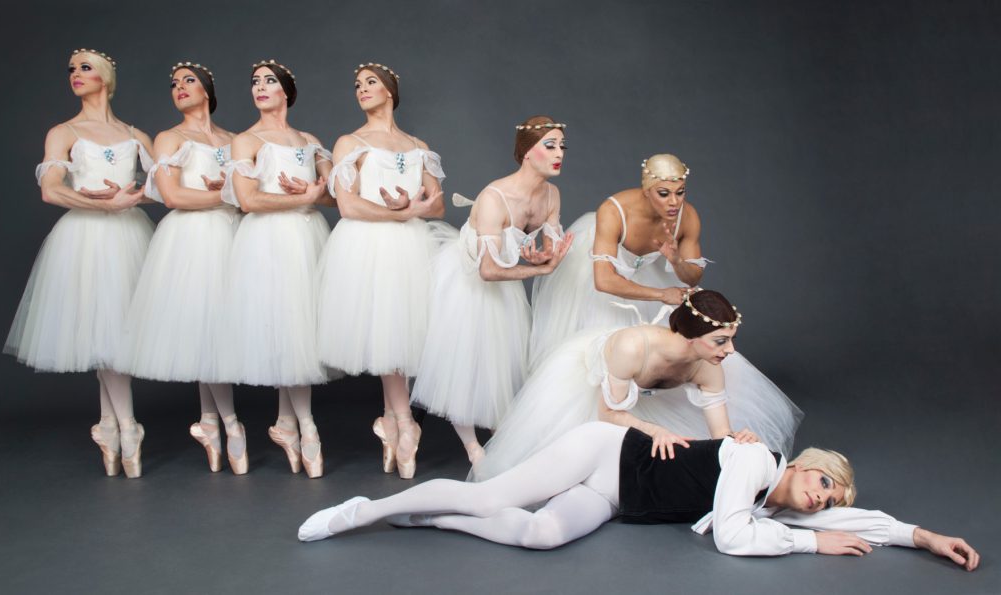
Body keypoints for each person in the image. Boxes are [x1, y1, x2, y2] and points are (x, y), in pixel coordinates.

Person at [298, 422, 980, 573]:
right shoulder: (754, 458)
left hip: (619, 499)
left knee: (541, 535)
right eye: (823, 482)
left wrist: (923, 536)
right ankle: (365, 511)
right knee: (494, 496)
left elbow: (861, 519)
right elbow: (730, 537)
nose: (821, 500)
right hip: (605, 452)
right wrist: (812, 544)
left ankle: (430, 517)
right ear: (803, 465)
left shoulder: (775, 503)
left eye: (827, 501)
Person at [5, 49, 155, 478]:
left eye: (85, 68)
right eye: (71, 69)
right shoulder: (64, 132)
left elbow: (164, 187)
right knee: (102, 332)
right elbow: (51, 189)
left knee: (113, 334)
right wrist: (103, 205)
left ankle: (109, 426)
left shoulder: (135, 135)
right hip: (84, 239)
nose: (75, 74)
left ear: (105, 76)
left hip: (129, 236)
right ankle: (128, 426)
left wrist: (132, 197)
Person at [474, 290, 802, 481]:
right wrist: (654, 430)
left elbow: (720, 435)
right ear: (690, 336)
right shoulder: (631, 347)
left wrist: (737, 441)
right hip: (593, 391)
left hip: (643, 398)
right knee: (561, 471)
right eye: (720, 341)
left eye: (731, 340)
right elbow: (608, 413)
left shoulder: (709, 367)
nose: (730, 351)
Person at [411, 116, 574, 463]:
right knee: (466, 361)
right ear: (527, 152)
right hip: (469, 281)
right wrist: (538, 268)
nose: (559, 153)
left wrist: (544, 255)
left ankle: (501, 435)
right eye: (549, 146)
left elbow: (549, 247)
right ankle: (473, 448)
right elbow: (487, 270)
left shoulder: (551, 195)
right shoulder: (494, 197)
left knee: (502, 359)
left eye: (562, 146)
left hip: (506, 280)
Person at [314, 62, 445, 479]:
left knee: (402, 331)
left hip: (412, 246)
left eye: (371, 82)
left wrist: (410, 209)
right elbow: (348, 204)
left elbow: (438, 205)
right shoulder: (349, 142)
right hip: (368, 245)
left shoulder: (418, 145)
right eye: (357, 84)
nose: (362, 89)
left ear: (390, 90)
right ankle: (405, 424)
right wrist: (401, 213)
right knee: (387, 330)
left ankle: (391, 423)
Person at [115, 62, 246, 474]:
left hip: (234, 236)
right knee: (204, 327)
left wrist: (239, 195)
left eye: (189, 81)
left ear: (207, 89)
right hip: (192, 239)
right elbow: (172, 196)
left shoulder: (234, 139)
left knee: (217, 330)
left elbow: (252, 193)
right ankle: (230, 423)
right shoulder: (169, 138)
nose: (179, 87)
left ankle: (209, 422)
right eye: (174, 83)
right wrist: (231, 195)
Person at [221, 60, 335, 478]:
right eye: (255, 81)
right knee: (285, 324)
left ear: (286, 91)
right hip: (267, 240)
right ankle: (307, 427)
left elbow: (333, 195)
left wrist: (313, 193)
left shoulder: (310, 141)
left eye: (269, 81)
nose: (260, 87)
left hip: (306, 237)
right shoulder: (245, 141)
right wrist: (302, 198)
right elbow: (249, 200)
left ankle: (287, 423)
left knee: (299, 327)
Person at [530, 154, 707, 366]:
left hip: (646, 273)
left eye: (680, 192)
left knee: (655, 355)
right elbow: (603, 281)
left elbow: (693, 278)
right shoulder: (613, 211)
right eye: (663, 193)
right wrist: (662, 294)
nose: (674, 202)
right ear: (646, 190)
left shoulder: (688, 217)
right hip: (596, 274)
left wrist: (677, 262)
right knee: (598, 353)